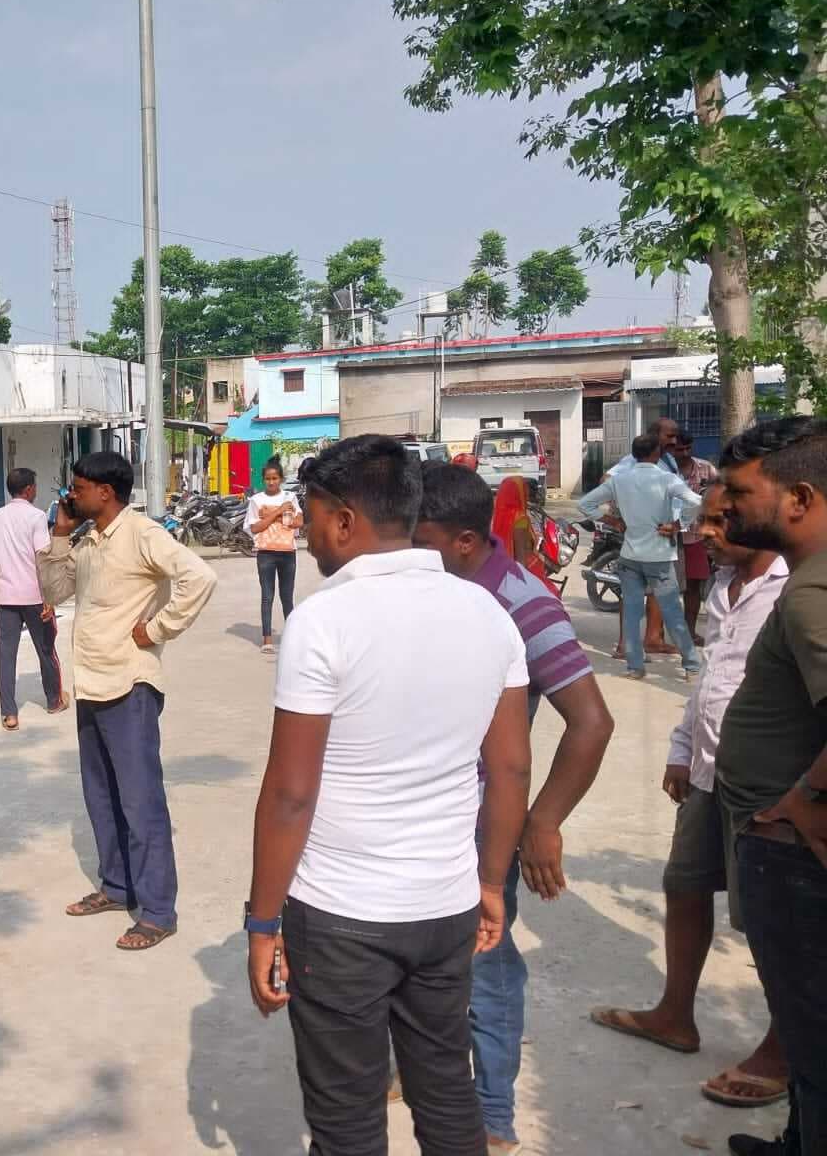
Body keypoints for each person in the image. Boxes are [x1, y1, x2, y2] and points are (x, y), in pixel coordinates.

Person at [246, 435, 533, 1156]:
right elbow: (509, 773)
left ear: (344, 521)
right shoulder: (488, 615)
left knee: (346, 1121)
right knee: (445, 1089)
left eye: (311, 517)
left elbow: (289, 794)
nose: (307, 535)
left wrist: (262, 921)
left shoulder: (323, 621)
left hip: (343, 916)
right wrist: (491, 883)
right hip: (446, 904)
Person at [415, 463, 614, 1153]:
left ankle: (491, 1114)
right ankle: (401, 1072)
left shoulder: (523, 603)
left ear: (465, 541)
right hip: (413, 813)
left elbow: (591, 721)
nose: (409, 554)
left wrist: (543, 820)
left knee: (485, 965)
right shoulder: (428, 591)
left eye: (422, 540)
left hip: (478, 823)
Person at [588, 483, 789, 1111]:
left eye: (719, 521)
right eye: (703, 520)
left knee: (773, 919)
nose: (704, 531)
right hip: (708, 771)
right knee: (684, 885)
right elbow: (711, 681)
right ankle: (675, 1014)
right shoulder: (725, 592)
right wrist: (681, 749)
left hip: (768, 782)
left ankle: (785, 1048)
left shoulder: (796, 590)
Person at [38, 451, 217, 951]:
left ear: (106, 491)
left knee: (141, 803)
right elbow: (52, 589)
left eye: (78, 487)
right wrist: (58, 533)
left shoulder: (141, 534)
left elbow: (200, 577)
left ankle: (158, 910)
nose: (71, 494)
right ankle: (117, 887)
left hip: (131, 686)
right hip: (93, 684)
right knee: (101, 797)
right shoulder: (89, 540)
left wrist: (158, 628)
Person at [709, 416, 827, 1156]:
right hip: (780, 835)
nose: (725, 507)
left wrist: (804, 802)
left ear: (799, 498)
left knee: (812, 1033)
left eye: (741, 491)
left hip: (794, 849)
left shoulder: (814, 591)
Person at [578, 432, 704, 680]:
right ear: (658, 454)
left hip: (630, 555)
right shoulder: (667, 479)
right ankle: (691, 665)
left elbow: (585, 504)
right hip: (659, 555)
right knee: (672, 613)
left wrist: (612, 520)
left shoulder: (620, 480)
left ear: (634, 454)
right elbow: (696, 501)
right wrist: (679, 525)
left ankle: (635, 667)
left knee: (633, 612)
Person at [0, 468, 68, 731]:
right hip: (34, 597)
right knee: (46, 649)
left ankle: (9, 713)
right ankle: (54, 700)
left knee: (6, 656)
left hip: (6, 597)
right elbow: (42, 557)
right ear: (29, 489)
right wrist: (49, 596)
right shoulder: (37, 516)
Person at [606, 417, 683, 655]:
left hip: (664, 534)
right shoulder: (633, 461)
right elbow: (607, 481)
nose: (674, 441)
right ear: (654, 436)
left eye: (675, 435)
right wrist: (621, 518)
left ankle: (653, 639)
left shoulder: (668, 461)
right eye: (669, 436)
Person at [244, 460, 303, 653]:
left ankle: (293, 636)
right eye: (268, 479)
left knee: (287, 596)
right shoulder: (256, 500)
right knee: (267, 596)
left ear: (281, 479)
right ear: (263, 480)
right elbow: (255, 527)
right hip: (266, 553)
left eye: (275, 478)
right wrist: (279, 511)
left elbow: (297, 522)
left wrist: (269, 515)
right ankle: (267, 640)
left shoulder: (290, 497)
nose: (271, 482)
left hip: (287, 552)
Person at [673, 434, 720, 642]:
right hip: (668, 536)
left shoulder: (706, 468)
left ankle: (689, 632)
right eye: (679, 449)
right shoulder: (664, 470)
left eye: (687, 448)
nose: (684, 453)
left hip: (695, 536)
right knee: (663, 587)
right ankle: (655, 635)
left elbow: (719, 494)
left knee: (693, 587)